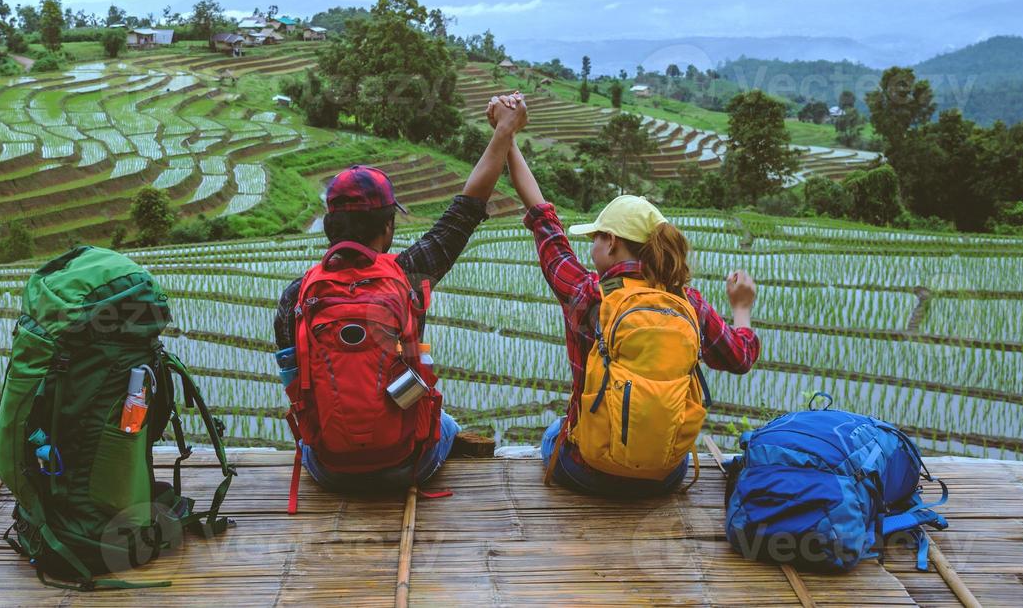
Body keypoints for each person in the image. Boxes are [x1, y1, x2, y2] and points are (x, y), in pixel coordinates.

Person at [488, 93, 759, 497]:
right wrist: (741, 308)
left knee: (553, 434)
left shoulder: (587, 294)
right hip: (666, 475)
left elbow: (543, 219)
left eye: (596, 236)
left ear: (611, 243)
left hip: (588, 469)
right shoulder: (688, 302)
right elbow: (740, 357)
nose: (591, 245)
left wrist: (505, 134)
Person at [275, 96, 528, 495]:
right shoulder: (407, 276)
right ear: (388, 227)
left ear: (329, 226)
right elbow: (467, 208)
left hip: (328, 469)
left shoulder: (297, 296)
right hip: (405, 463)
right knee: (446, 423)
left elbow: (296, 386)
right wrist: (504, 131)